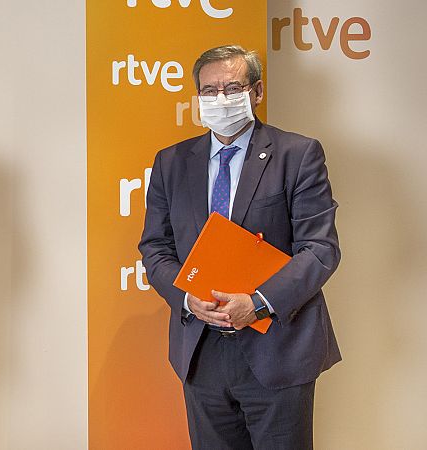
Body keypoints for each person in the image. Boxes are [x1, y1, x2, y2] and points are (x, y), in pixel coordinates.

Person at [139, 45, 340, 449]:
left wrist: (258, 303)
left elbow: (320, 249)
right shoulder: (171, 162)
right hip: (201, 352)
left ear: (257, 91)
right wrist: (187, 298)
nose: (220, 99)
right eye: (209, 91)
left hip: (277, 349)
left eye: (232, 88)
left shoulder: (298, 154)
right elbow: (155, 247)